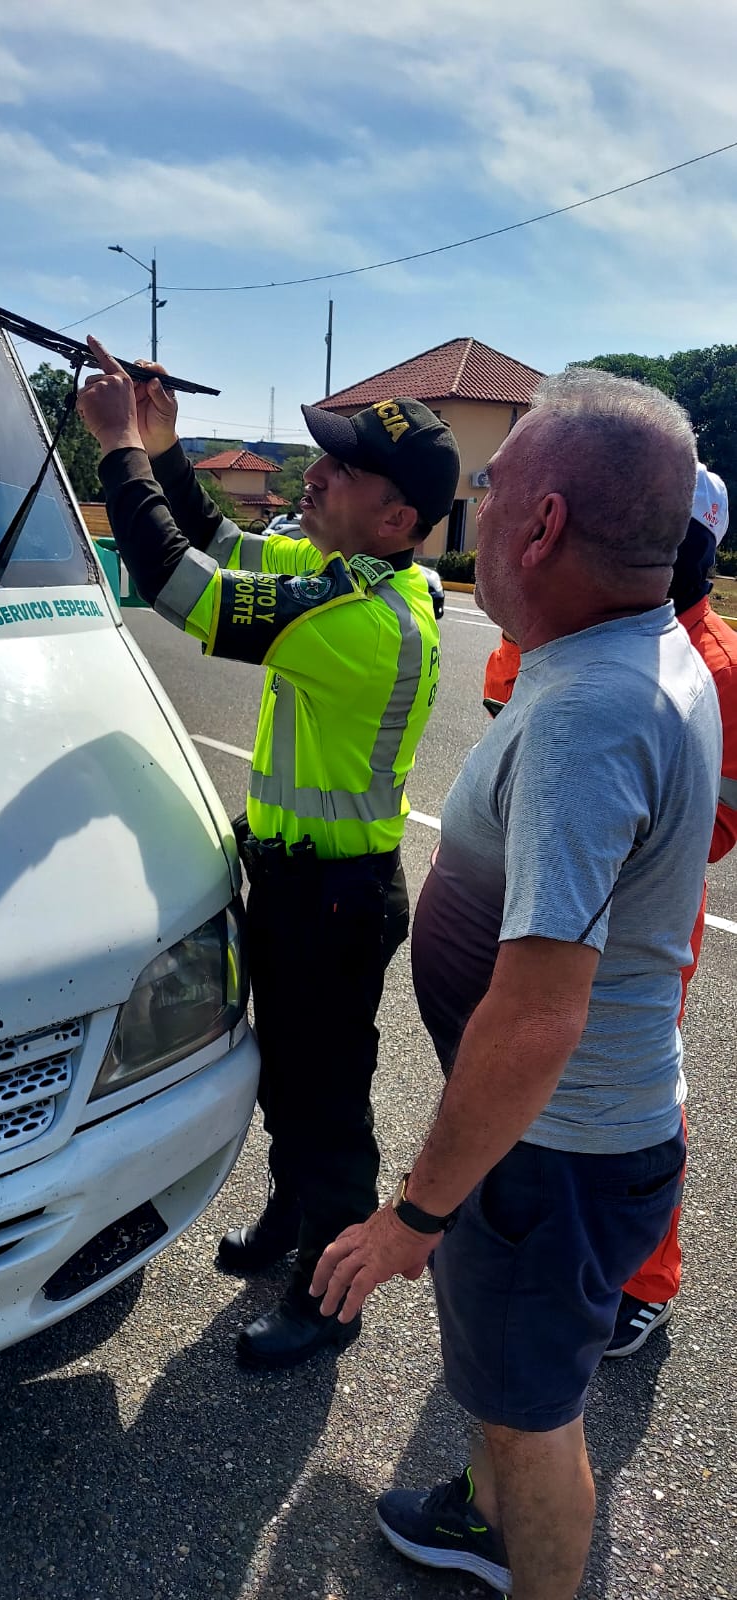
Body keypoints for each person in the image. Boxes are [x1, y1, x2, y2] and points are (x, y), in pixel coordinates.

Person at [311, 369, 722, 1600]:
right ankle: (482, 1517)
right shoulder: (632, 646)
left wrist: (416, 1214)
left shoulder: (591, 710)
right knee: (511, 1383)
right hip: (566, 1141)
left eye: (491, 484)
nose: (474, 504)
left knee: (534, 1415)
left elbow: (540, 1015)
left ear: (541, 525)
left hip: (554, 1153)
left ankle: (525, 1556)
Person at [77, 339, 460, 1369]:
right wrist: (163, 448)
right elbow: (213, 539)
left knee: (328, 1103)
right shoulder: (349, 573)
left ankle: (330, 1301)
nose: (313, 473)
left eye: (341, 467)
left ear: (395, 518)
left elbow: (176, 582)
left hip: (335, 899)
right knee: (287, 1072)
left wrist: (116, 444)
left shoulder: (363, 618)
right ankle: (295, 1219)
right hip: (306, 887)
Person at [482, 464, 737, 1360]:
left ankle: (645, 1279)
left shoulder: (713, 663)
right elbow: (500, 710)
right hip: (543, 884)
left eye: (677, 542)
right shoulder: (565, 625)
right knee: (535, 1067)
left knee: (632, 1091)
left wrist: (612, 821)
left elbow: (716, 826)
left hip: (644, 916)